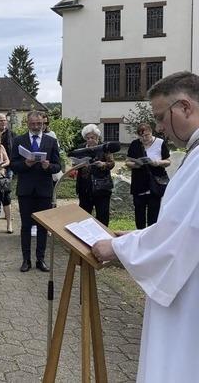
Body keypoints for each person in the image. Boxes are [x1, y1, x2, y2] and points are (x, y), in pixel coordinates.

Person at [92, 71, 199, 383]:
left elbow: (186, 232)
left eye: (160, 117)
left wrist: (116, 247)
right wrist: (139, 236)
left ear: (185, 107)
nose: (160, 127)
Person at [10, 111, 61, 273]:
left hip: (44, 190)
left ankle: (41, 259)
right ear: (28, 123)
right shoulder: (19, 140)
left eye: (39, 124)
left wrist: (49, 167)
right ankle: (26, 260)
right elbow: (13, 165)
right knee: (25, 226)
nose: (36, 126)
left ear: (43, 123)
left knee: (42, 227)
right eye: (33, 124)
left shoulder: (51, 141)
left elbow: (58, 165)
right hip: (25, 190)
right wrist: (26, 164)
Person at [126, 123, 170, 229]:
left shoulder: (160, 143)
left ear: (151, 132)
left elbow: (168, 161)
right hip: (139, 183)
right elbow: (127, 161)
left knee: (153, 214)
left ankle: (152, 237)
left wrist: (158, 163)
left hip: (155, 183)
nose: (144, 138)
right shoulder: (135, 144)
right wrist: (136, 165)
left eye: (147, 135)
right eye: (141, 136)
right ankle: (139, 235)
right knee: (139, 213)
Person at [75, 124, 115, 226]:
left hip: (102, 187)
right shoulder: (81, 148)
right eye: (87, 138)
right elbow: (75, 163)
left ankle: (103, 238)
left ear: (97, 137)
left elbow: (112, 163)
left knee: (102, 215)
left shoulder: (104, 147)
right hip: (84, 187)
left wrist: (103, 164)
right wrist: (78, 164)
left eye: (92, 137)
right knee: (84, 215)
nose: (90, 140)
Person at [0, 113, 13, 220]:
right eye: (1, 120)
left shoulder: (11, 134)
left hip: (8, 166)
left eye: (5, 120)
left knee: (7, 190)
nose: (3, 122)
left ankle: (7, 214)